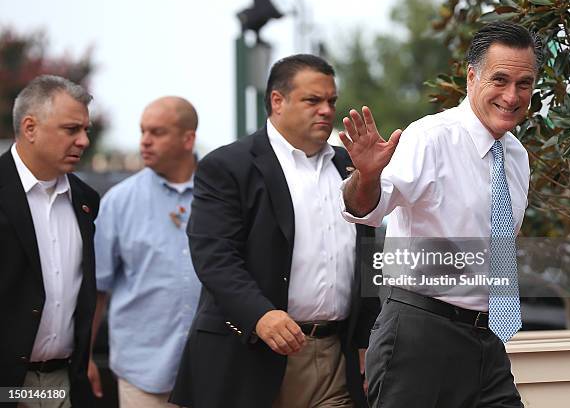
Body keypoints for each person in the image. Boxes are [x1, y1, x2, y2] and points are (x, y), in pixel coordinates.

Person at [340, 21, 543, 407]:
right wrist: (366, 176)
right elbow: (367, 208)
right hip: (420, 335)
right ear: (471, 77)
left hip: (487, 340)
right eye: (499, 80)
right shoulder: (430, 137)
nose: (512, 96)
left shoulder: (516, 156)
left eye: (525, 83)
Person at [170, 54, 380, 408]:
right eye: (312, 100)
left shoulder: (350, 166)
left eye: (331, 101)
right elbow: (214, 256)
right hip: (251, 355)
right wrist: (260, 315)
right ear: (277, 101)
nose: (326, 110)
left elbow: (368, 255)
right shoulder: (229, 166)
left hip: (334, 358)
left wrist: (366, 338)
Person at [88, 97, 201, 407]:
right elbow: (97, 287)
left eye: (157, 132)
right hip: (141, 373)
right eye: (142, 132)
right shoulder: (118, 201)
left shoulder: (221, 194)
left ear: (188, 138)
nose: (145, 142)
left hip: (211, 369)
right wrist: (83, 358)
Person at [0, 75, 99, 407]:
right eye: (71, 129)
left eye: (85, 129)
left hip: (63, 382)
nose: (84, 140)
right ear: (30, 128)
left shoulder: (85, 200)